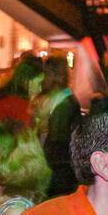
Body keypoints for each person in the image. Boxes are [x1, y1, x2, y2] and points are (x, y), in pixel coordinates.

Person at [34, 56, 81, 198]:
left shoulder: (64, 104)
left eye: (46, 74)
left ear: (55, 76)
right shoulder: (58, 100)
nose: (43, 79)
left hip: (59, 175)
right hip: (59, 172)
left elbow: (58, 142)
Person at [0, 54, 44, 128]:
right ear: (27, 81)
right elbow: (25, 135)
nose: (40, 89)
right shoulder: (19, 105)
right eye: (39, 83)